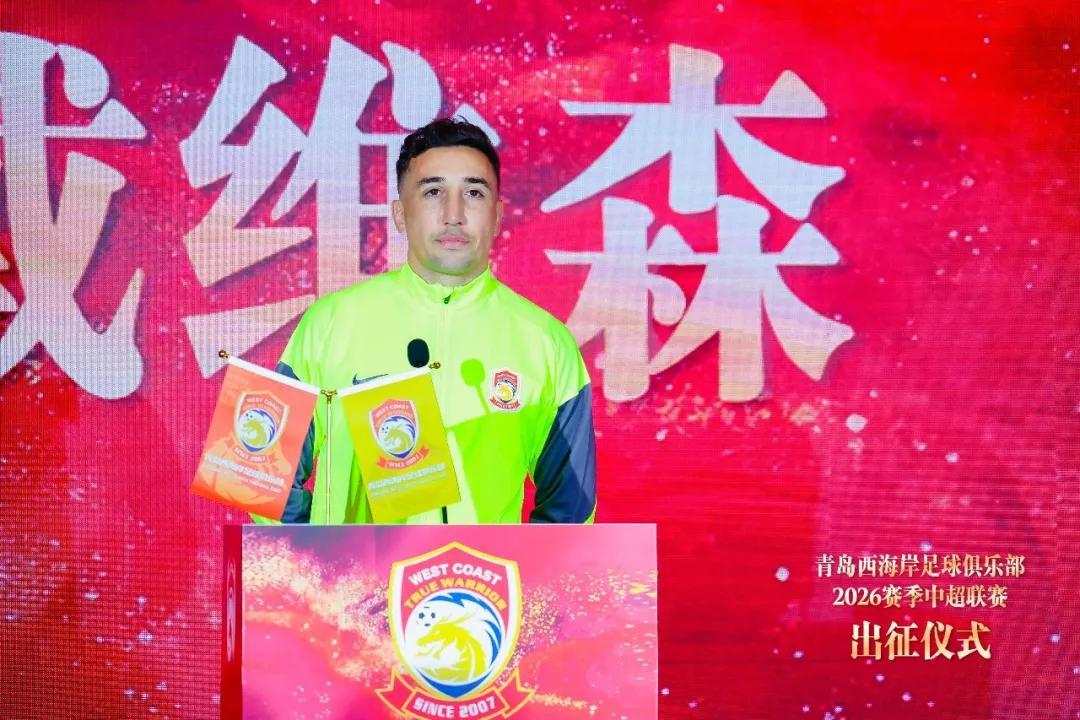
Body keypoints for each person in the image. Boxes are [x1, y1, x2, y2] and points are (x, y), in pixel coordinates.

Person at [271, 117, 596, 524]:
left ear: (497, 215)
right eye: (432, 192)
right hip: (357, 568)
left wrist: (509, 566)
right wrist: (321, 555)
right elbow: (268, 471)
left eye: (474, 193)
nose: (453, 214)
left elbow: (572, 508)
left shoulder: (546, 342)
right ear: (399, 214)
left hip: (481, 569)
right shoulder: (330, 322)